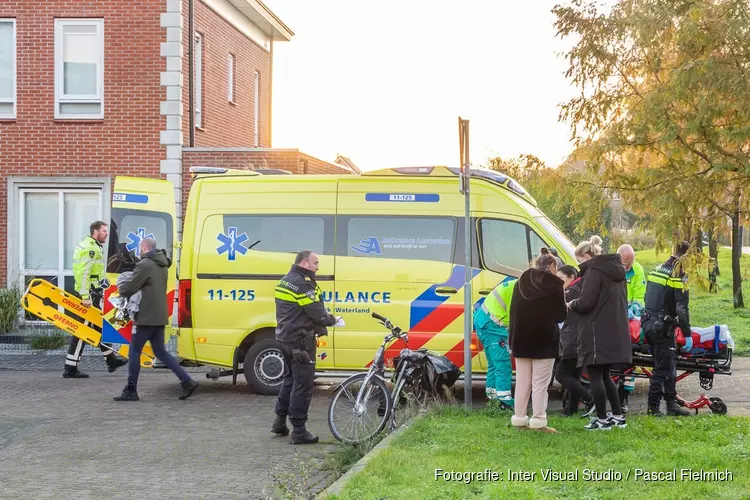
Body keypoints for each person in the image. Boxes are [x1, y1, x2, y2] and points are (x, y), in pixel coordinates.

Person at [113, 238, 199, 401]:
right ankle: (187, 381)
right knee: (160, 351)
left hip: (146, 316)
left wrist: (121, 288)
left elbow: (131, 286)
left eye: (140, 247)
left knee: (134, 351)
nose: (139, 250)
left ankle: (131, 390)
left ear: (145, 247)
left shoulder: (145, 265)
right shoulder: (162, 265)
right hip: (159, 315)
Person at [272, 250, 337, 444]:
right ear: (304, 263)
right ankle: (299, 431)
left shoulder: (285, 280)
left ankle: (279, 421)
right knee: (303, 385)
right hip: (301, 342)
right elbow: (317, 313)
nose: (318, 266)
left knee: (290, 380)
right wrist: (332, 320)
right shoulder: (302, 284)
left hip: (284, 339)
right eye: (315, 262)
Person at [568, 236, 632, 430]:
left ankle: (602, 419)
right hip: (614, 330)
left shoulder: (594, 272)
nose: (579, 266)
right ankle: (618, 416)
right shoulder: (617, 271)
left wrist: (572, 304)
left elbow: (586, 302)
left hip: (595, 330)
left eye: (579, 261)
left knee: (595, 374)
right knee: (605, 375)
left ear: (586, 256)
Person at [509, 248, 566, 433]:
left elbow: (513, 313)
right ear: (553, 265)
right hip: (544, 341)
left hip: (521, 340)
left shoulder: (520, 282)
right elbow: (560, 316)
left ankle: (519, 420)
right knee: (540, 384)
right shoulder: (555, 285)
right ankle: (539, 421)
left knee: (522, 382)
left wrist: (512, 340)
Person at [63, 221, 127, 378]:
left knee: (99, 327)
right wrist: (85, 296)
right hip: (89, 295)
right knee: (82, 330)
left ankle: (111, 360)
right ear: (95, 231)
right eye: (104, 231)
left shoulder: (93, 246)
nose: (106, 233)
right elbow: (82, 274)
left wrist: (102, 282)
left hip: (94, 293)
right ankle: (70, 367)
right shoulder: (90, 249)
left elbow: (92, 273)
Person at [642, 241, 692, 417]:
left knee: (669, 365)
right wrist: (688, 334)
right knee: (663, 368)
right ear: (687, 256)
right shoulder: (679, 275)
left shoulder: (658, 269)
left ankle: (671, 405)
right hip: (664, 327)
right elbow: (681, 308)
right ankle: (653, 408)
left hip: (649, 323)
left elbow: (647, 295)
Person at [555, 265, 594, 417]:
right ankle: (571, 409)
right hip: (581, 337)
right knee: (575, 375)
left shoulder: (571, 292)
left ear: (571, 277)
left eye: (561, 279)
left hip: (571, 338)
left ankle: (589, 399)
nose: (559, 282)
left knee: (562, 375)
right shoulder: (582, 288)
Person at [473, 277, 516, 409]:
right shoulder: (522, 290)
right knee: (502, 365)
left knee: (494, 364)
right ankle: (505, 402)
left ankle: (493, 398)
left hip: (485, 323)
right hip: (493, 327)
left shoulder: (515, 285)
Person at [616, 244, 647, 412]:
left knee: (629, 360)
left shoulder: (637, 269)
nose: (628, 266)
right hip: (614, 318)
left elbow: (640, 294)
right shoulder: (612, 269)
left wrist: (635, 306)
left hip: (629, 320)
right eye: (625, 263)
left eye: (630, 262)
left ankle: (623, 397)